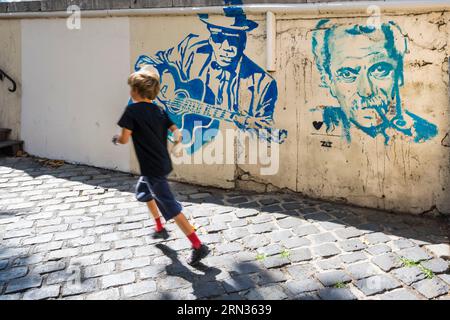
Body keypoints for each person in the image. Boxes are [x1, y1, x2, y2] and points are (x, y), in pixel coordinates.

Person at [134, 7, 279, 151]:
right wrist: (157, 80)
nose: (226, 47)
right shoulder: (191, 49)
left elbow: (261, 139)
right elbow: (147, 61)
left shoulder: (263, 85)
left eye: (233, 39)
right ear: (210, 37)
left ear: (243, 41)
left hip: (221, 152)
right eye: (218, 38)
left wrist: (254, 130)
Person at [112, 66, 209, 265]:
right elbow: (176, 130)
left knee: (171, 207)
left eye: (131, 88)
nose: (130, 91)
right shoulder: (159, 110)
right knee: (144, 192)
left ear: (137, 92)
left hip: (152, 169)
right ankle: (159, 226)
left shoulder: (132, 111)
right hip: (160, 164)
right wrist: (176, 136)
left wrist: (116, 138)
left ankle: (198, 245)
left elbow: (124, 138)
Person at [312, 20, 438, 144]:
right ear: (329, 81)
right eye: (347, 74)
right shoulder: (320, 126)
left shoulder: (425, 136)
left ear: (399, 75)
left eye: (380, 69)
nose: (366, 91)